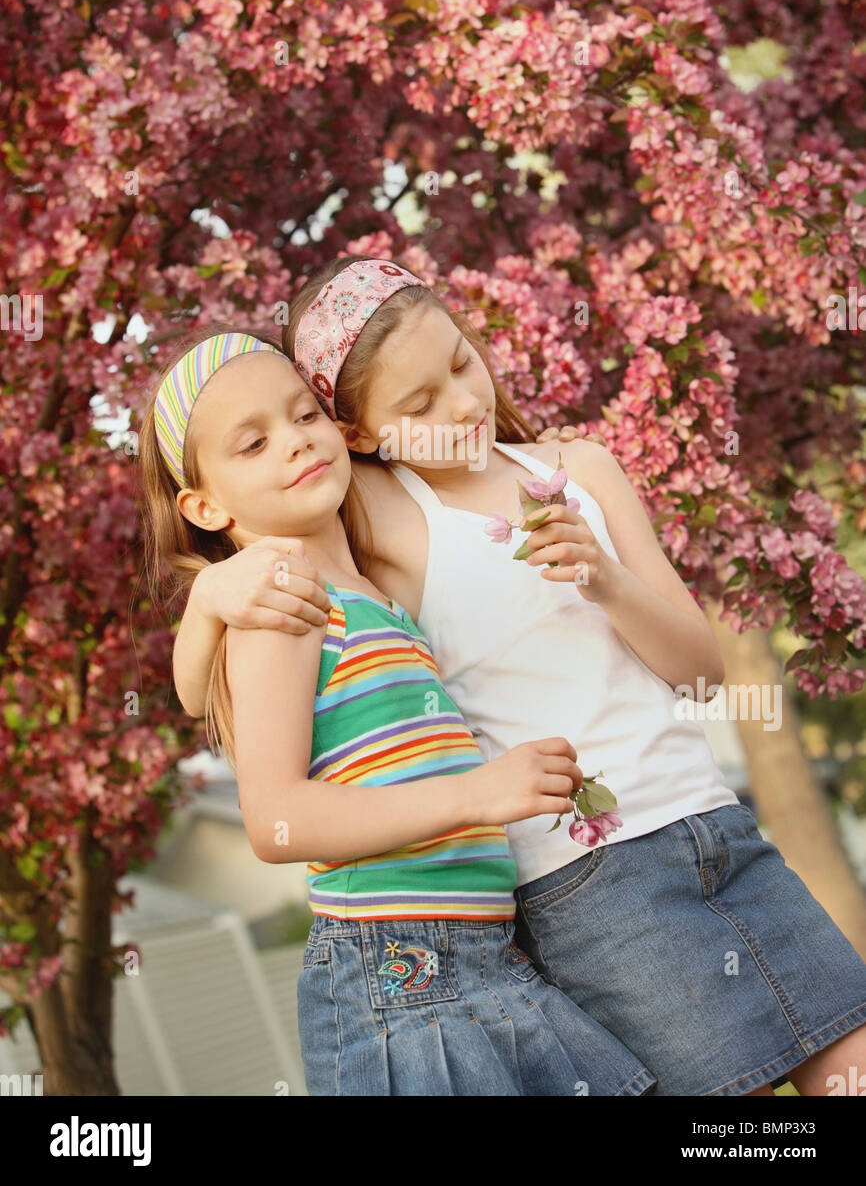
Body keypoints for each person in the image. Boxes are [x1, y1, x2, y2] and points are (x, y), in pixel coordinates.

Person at [171, 260, 866, 1096]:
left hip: (719, 826)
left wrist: (605, 579)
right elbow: (263, 558)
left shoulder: (582, 469)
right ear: (358, 435)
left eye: (461, 363)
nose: (461, 406)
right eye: (417, 405)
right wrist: (209, 593)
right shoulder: (382, 511)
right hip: (592, 880)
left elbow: (704, 674)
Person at [138, 324, 655, 1098]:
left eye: (304, 415)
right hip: (398, 976)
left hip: (480, 958)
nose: (295, 442)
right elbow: (275, 819)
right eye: (253, 443)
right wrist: (478, 795)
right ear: (204, 505)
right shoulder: (282, 596)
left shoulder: (371, 597)